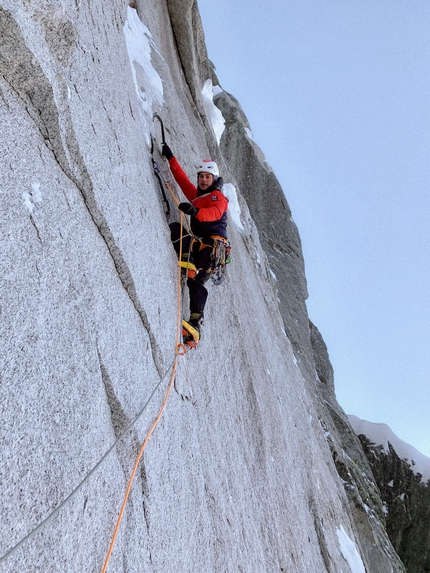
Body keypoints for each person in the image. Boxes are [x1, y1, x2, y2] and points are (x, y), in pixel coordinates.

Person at [162, 143, 229, 340]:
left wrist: (196, 212)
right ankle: (194, 326)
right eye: (201, 176)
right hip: (200, 246)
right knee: (176, 228)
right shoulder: (199, 196)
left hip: (211, 249)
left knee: (196, 280)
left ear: (214, 179)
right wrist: (171, 158)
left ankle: (195, 322)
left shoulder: (218, 197)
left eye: (207, 177)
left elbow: (214, 213)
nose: (203, 180)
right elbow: (182, 181)